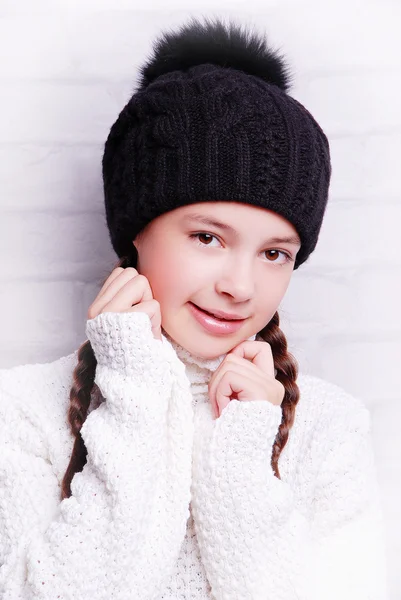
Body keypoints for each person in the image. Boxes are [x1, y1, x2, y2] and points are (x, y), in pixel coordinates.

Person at [0, 16, 388, 600]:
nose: (241, 286)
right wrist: (134, 395)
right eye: (208, 237)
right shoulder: (25, 414)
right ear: (136, 231)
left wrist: (242, 453)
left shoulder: (330, 428)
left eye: (275, 252)